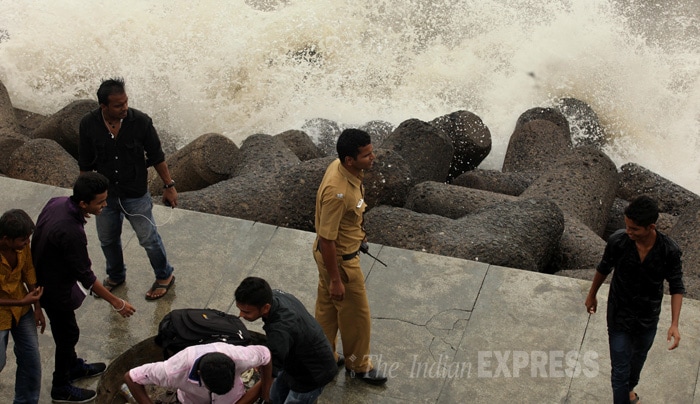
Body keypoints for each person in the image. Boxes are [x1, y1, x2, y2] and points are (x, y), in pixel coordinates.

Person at [32, 172, 136, 403]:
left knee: (68, 332)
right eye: (100, 202)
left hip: (50, 275)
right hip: (53, 289)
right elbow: (87, 277)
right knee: (67, 335)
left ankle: (72, 366)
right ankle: (61, 386)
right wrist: (117, 303)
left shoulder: (57, 202)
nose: (104, 205)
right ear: (83, 203)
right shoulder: (71, 232)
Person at [78, 77, 176, 301]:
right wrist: (83, 199)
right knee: (107, 239)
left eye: (126, 102)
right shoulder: (88, 124)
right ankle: (116, 275)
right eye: (118, 105)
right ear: (103, 106)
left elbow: (157, 156)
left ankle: (164, 276)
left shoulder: (141, 121)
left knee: (149, 238)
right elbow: (84, 164)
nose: (125, 108)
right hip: (105, 196)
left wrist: (169, 186)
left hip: (136, 194)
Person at [585, 195, 684, 404]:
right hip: (619, 314)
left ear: (651, 227)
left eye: (634, 229)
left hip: (647, 317)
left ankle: (629, 390)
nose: (628, 232)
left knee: (637, 361)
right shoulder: (618, 242)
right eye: (627, 227)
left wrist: (674, 324)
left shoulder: (669, 251)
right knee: (620, 369)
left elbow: (677, 286)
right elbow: (604, 268)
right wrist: (592, 294)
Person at [312, 128, 386, 385]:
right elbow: (327, 239)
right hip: (340, 261)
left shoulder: (341, 167)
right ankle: (358, 365)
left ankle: (324, 356)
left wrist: (358, 235)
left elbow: (344, 221)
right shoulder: (337, 192)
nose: (373, 157)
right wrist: (336, 279)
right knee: (356, 316)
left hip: (331, 255)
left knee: (327, 309)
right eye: (367, 155)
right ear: (349, 160)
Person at [235, 277, 338, 404]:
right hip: (292, 363)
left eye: (246, 312)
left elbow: (268, 376)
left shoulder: (280, 330)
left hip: (311, 375)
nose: (241, 315)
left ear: (265, 308)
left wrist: (263, 396)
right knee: (275, 396)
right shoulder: (274, 296)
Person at [124, 342, 272, 404]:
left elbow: (266, 354)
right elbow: (131, 378)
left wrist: (265, 391)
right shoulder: (173, 370)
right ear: (199, 374)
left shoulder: (241, 357)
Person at [0, 209, 46, 404]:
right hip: (4, 313)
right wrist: (22, 301)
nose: (27, 243)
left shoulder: (21, 247)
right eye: (22, 240)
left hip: (23, 309)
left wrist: (36, 306)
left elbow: (28, 272)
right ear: (5, 239)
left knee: (31, 361)